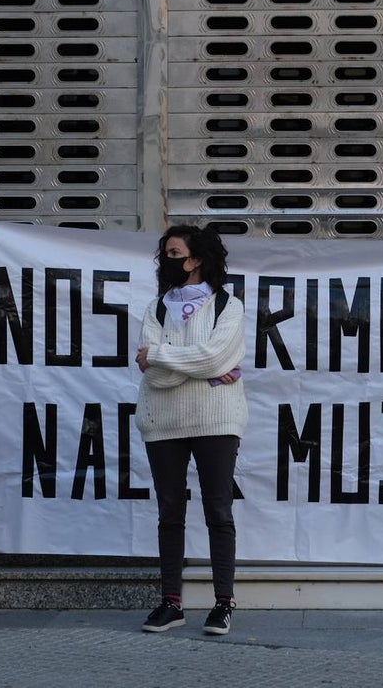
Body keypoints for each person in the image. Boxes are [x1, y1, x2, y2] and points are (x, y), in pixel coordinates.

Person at [134, 225, 247, 636]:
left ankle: (222, 602)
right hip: (163, 422)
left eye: (175, 251)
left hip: (216, 422)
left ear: (196, 259)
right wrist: (205, 371)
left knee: (218, 510)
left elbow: (215, 356)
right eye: (165, 252)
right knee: (170, 512)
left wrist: (163, 356)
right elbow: (159, 379)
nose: (168, 259)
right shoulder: (156, 309)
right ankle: (171, 602)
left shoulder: (227, 307)